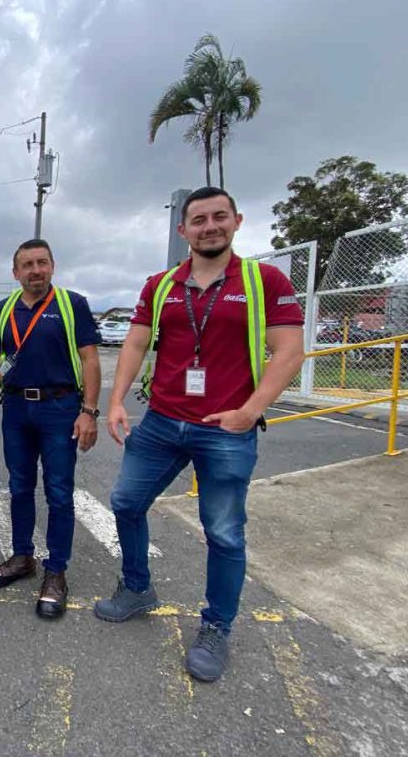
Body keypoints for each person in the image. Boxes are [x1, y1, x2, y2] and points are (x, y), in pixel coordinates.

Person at [94, 186, 305, 682]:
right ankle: (137, 587)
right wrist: (117, 400)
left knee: (224, 531)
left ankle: (216, 627)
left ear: (237, 221)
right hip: (163, 420)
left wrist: (250, 411)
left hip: (226, 428)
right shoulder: (161, 285)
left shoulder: (264, 281)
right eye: (199, 219)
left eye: (219, 217)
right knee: (126, 502)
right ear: (183, 229)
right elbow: (136, 342)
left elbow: (289, 350)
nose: (210, 226)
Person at [0, 239, 102, 619]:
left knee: (59, 492)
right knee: (19, 486)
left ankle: (56, 572)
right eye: (28, 265)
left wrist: (89, 412)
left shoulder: (72, 304)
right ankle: (22, 558)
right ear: (15, 272)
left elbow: (89, 358)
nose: (36, 270)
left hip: (59, 408)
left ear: (52, 266)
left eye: (42, 262)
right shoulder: (3, 310)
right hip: (17, 407)